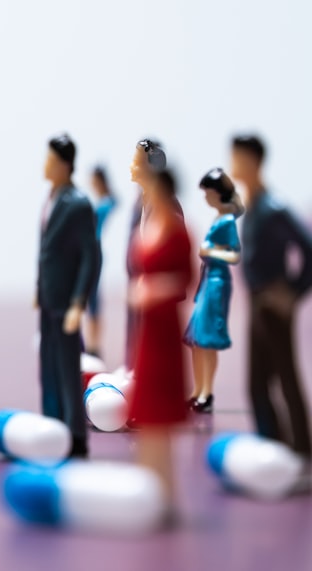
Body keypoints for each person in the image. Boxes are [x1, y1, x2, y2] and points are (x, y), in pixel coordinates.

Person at [231, 135, 311, 476]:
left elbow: (308, 249)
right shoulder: (251, 206)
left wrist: (292, 291)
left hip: (274, 306)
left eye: (237, 159)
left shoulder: (274, 208)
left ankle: (303, 453)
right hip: (256, 304)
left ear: (252, 161)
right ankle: (272, 448)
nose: (234, 166)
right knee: (256, 383)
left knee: (286, 378)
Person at [128, 168, 191, 516]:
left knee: (161, 407)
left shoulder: (178, 231)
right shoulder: (148, 225)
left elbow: (184, 277)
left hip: (164, 322)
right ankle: (148, 484)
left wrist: (152, 291)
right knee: (147, 408)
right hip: (148, 326)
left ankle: (165, 492)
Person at [36, 135, 99, 458]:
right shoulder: (52, 197)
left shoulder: (78, 203)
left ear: (63, 164)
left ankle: (75, 434)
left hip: (66, 301)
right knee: (47, 365)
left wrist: (79, 302)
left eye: (49, 159)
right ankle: (52, 425)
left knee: (66, 366)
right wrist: (38, 289)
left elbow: (91, 256)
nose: (44, 165)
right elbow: (45, 251)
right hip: (48, 298)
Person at [183, 168, 244, 414]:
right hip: (208, 280)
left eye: (208, 192)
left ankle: (207, 392)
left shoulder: (227, 222)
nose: (205, 197)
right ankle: (198, 389)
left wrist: (210, 253)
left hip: (218, 282)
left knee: (207, 339)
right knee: (197, 338)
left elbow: (235, 254)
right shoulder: (219, 219)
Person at [125, 139, 179, 369]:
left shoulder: (168, 208)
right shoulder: (144, 202)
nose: (131, 167)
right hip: (141, 288)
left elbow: (176, 260)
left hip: (157, 298)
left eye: (137, 162)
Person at [84, 165, 116, 357]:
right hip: (93, 249)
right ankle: (93, 342)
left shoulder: (107, 202)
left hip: (95, 250)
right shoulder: (103, 201)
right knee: (91, 297)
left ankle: (95, 344)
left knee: (94, 297)